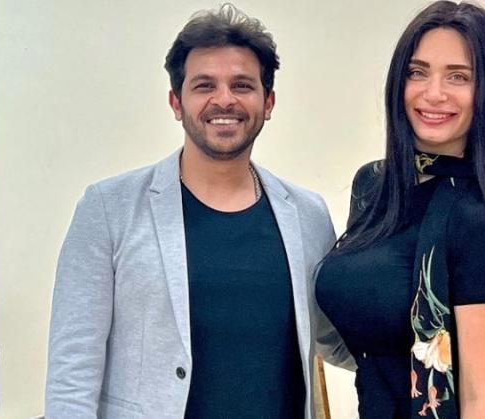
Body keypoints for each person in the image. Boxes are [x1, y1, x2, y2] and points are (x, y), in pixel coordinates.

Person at [45, 4, 335, 418]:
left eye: (242, 85)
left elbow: (335, 336)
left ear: (268, 102)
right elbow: (72, 372)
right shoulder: (108, 209)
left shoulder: (308, 215)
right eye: (204, 85)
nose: (224, 100)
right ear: (176, 102)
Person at [314, 1, 485, 418]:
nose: (433, 93)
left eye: (459, 76)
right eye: (417, 72)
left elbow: (481, 402)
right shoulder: (374, 186)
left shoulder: (480, 219)